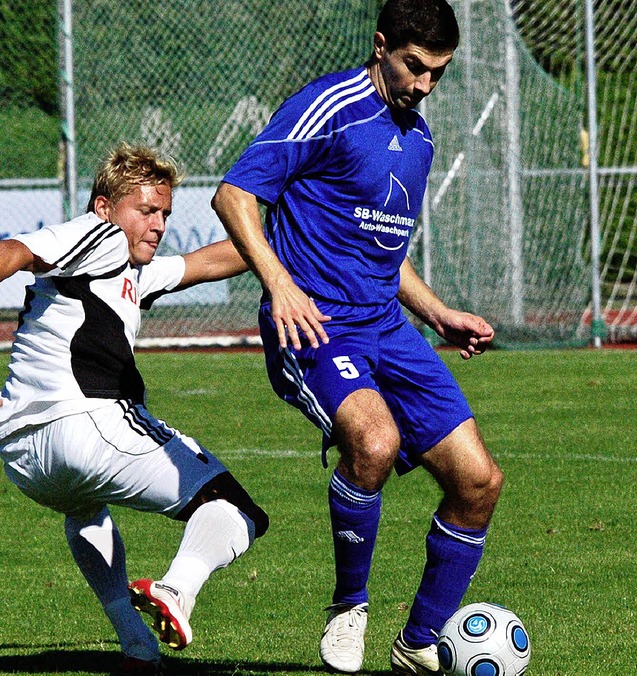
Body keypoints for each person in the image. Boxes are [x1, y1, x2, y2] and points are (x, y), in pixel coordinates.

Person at [211, 0, 504, 673]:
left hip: (386, 328)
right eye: (414, 67)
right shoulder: (329, 105)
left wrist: (437, 312)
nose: (424, 85)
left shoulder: (420, 139)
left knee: (479, 482)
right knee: (374, 443)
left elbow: (384, 253)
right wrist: (281, 284)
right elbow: (234, 195)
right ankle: (349, 607)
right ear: (381, 47)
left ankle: (419, 643)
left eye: (438, 74)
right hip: (314, 324)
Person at [0, 143, 268, 675]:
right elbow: (15, 251)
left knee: (84, 509)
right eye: (145, 210)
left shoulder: (130, 270)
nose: (158, 223)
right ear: (105, 207)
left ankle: (137, 645)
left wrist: (276, 238)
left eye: (165, 213)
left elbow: (205, 262)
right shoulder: (97, 234)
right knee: (236, 509)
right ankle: (177, 589)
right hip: (86, 422)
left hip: (24, 458)